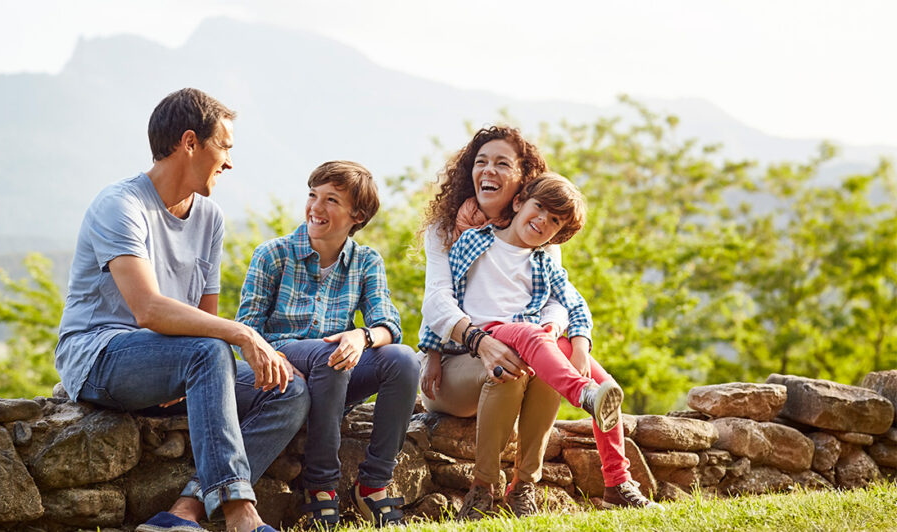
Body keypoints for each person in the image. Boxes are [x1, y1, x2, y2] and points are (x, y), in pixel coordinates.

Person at [55, 88, 308, 532]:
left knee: (286, 388)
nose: (229, 162)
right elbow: (148, 309)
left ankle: (183, 512)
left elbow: (204, 319)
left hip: (175, 361)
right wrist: (244, 335)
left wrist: (189, 364)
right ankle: (240, 515)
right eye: (224, 147)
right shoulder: (120, 206)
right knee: (209, 352)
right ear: (190, 143)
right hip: (99, 357)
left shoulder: (210, 218)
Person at [423, 173, 664, 517]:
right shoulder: (474, 242)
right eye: (540, 208)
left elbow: (575, 304)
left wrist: (580, 344)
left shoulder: (544, 261)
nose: (542, 222)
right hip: (485, 334)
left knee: (606, 385)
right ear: (519, 202)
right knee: (532, 335)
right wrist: (433, 352)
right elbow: (445, 299)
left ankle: (618, 483)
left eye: (554, 221)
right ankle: (581, 395)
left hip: (532, 338)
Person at [236, 161, 419, 529]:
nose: (315, 208)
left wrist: (362, 335)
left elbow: (389, 324)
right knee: (331, 354)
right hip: (284, 358)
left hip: (337, 371)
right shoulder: (273, 254)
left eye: (331, 200)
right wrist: (276, 358)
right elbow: (247, 330)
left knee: (404, 359)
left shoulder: (366, 261)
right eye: (312, 195)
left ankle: (373, 485)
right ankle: (320, 486)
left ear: (358, 215)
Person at [418, 126, 568, 518]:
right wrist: (478, 341)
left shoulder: (541, 238)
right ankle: (482, 490)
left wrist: (551, 331)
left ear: (523, 183)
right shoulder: (449, 232)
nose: (488, 170)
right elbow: (436, 301)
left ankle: (524, 487)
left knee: (541, 361)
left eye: (502, 163)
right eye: (481, 162)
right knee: (508, 365)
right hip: (451, 367)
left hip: (519, 348)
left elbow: (559, 301)